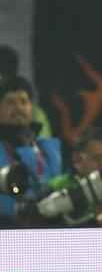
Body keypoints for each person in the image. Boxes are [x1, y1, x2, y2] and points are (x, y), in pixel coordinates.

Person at [0, 75, 63, 222]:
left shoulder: (50, 149)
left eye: (24, 102)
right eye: (10, 102)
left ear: (31, 108)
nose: (18, 108)